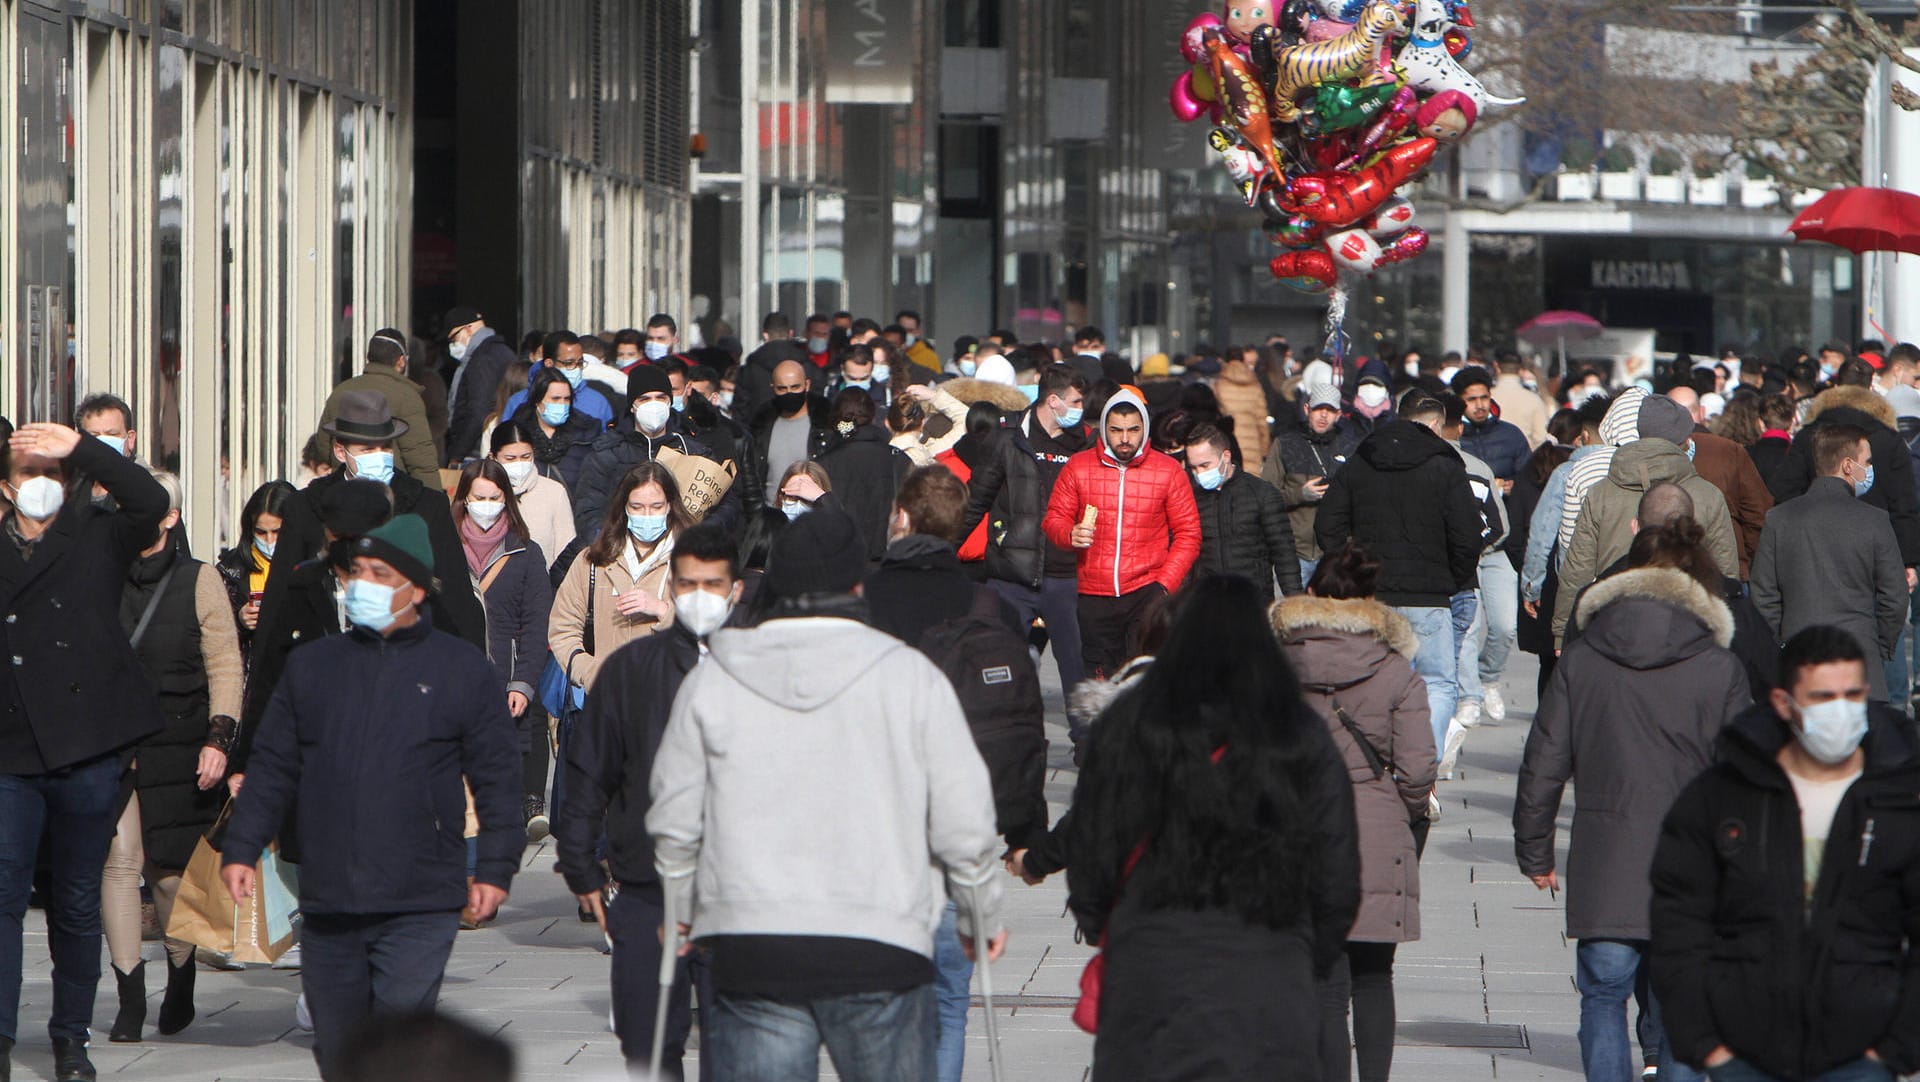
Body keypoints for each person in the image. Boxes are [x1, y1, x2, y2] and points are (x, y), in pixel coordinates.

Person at [646, 506, 1006, 1080]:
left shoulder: (715, 678)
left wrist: (681, 901)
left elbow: (675, 814)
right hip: (880, 942)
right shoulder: (910, 677)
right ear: (858, 585)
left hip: (754, 941)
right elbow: (964, 820)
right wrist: (979, 911)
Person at [221, 515, 522, 1081]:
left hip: (421, 896)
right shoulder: (315, 666)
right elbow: (275, 763)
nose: (362, 584)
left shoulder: (458, 669)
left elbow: (498, 775)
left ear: (415, 586)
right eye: (356, 572)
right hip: (332, 894)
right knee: (340, 1053)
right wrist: (242, 844)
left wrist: (496, 867)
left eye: (380, 574)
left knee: (397, 1051)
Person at [1065, 575, 1361, 1081]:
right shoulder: (1298, 732)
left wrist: (1114, 929)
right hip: (1271, 976)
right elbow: (1337, 880)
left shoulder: (1130, 724)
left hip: (1150, 977)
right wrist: (1302, 954)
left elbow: (1090, 857)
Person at [1515, 519, 1751, 1082]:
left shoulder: (1584, 658)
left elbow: (1544, 762)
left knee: (1601, 996)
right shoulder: (1719, 667)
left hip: (1605, 858)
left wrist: (1535, 851)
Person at [1651, 626, 1920, 1082]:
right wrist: (1704, 1043)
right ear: (1783, 704)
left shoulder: (1900, 797)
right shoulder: (1724, 795)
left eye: (1852, 695)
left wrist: (1897, 1046)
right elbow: (1680, 919)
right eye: (1823, 697)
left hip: (1860, 1051)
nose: (1841, 711)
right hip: (1744, 1051)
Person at [863, 467, 1045, 1082]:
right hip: (955, 820)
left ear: (903, 519)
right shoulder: (987, 604)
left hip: (877, 819)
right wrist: (1024, 830)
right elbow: (1016, 722)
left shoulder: (862, 598)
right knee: (947, 996)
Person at [0, 423, 168, 1082]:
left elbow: (149, 502)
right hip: (9, 751)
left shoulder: (96, 533)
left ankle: (71, 1036)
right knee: (4, 898)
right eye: (26, 474)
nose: (40, 486)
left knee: (75, 900)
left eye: (52, 474)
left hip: (85, 747)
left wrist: (87, 449)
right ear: (5, 489)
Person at [557, 524, 736, 1080]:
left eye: (713, 584)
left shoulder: (758, 667)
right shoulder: (633, 669)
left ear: (734, 590)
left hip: (737, 890)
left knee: (737, 1044)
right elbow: (591, 769)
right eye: (688, 584)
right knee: (647, 1040)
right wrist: (580, 862)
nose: (700, 596)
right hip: (646, 883)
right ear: (672, 588)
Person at [1271, 543, 1435, 1082]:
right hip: (1375, 824)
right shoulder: (1395, 672)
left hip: (1301, 829)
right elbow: (1416, 770)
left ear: (1311, 594)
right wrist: (1406, 818)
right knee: (1373, 976)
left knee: (1325, 983)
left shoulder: (1278, 666)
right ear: (1370, 602)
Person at [102, 469, 244, 1043]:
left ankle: (180, 973)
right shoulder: (101, 575)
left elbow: (226, 665)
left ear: (170, 517)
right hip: (113, 743)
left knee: (169, 875)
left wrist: (219, 739)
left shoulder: (199, 579)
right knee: (119, 861)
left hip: (181, 742)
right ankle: (129, 997)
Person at [1314, 394, 1483, 761]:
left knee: (1376, 681)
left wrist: (1351, 571)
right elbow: (1468, 535)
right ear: (1436, 425)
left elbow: (1327, 524)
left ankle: (1383, 761)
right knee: (1437, 682)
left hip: (1373, 594)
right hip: (1429, 594)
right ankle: (1425, 773)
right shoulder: (1445, 464)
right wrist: (1451, 578)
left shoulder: (1362, 459)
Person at [1553, 394, 1739, 646]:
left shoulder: (1602, 492)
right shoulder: (1708, 495)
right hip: (1688, 629)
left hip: (1613, 623)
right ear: (1685, 439)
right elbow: (1724, 571)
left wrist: (1563, 632)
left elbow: (1577, 570)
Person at [1042, 388, 1202, 682]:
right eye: (1116, 430)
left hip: (1147, 590)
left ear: (1144, 429)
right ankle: (1102, 726)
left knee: (1143, 675)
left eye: (1133, 430)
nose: (1125, 439)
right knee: (1100, 677)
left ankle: (1140, 725)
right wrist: (1070, 534)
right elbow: (1054, 518)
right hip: (1093, 593)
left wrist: (1164, 584)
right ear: (1104, 429)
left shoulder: (1168, 471)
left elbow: (1188, 533)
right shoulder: (1078, 466)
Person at [959, 364, 1095, 702]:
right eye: (1076, 402)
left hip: (1067, 576)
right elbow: (975, 502)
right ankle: (1002, 740)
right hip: (1012, 575)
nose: (1081, 410)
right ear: (1053, 401)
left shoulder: (1086, 445)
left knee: (1078, 672)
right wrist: (942, 550)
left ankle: (1088, 748)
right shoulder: (1007, 438)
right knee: (998, 667)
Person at [1751, 424, 1908, 704]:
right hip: (1860, 659)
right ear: (1848, 465)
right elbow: (1894, 596)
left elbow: (1764, 594)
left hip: (1799, 657)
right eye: (1867, 461)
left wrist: (1782, 641)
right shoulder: (1874, 520)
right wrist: (1880, 647)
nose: (1870, 468)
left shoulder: (1780, 518)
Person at [452, 461, 554, 834]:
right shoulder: (445, 550)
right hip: (455, 684)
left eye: (495, 497)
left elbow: (536, 623)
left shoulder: (526, 553)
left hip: (505, 684)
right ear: (464, 498)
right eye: (479, 497)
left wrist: (523, 683)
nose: (487, 504)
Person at [549, 462, 690, 693]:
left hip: (669, 700)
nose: (647, 515)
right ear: (623, 507)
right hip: (606, 700)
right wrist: (589, 671)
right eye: (637, 506)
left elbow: (711, 629)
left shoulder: (694, 560)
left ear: (670, 506)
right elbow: (562, 627)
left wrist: (664, 611)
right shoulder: (593, 560)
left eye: (656, 507)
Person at [574, 365, 741, 538]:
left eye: (660, 397)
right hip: (620, 550)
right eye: (645, 399)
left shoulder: (693, 450)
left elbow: (726, 504)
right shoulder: (607, 452)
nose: (654, 405)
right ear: (632, 405)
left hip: (682, 550)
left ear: (669, 401)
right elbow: (588, 510)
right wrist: (613, 542)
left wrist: (700, 534)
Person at [1184, 422, 1301, 604]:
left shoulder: (1261, 493)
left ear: (1226, 456)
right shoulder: (1191, 497)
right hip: (1206, 603)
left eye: (1205, 465)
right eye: (1193, 467)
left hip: (1252, 600)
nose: (1199, 473)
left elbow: (1283, 551)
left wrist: (1295, 599)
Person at [1667, 386, 1774, 579]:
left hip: (1670, 570)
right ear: (1701, 412)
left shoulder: (1652, 454)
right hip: (1727, 571)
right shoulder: (1728, 450)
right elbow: (1757, 514)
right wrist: (1745, 559)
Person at [1267, 381, 1363, 586]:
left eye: (1330, 410)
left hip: (1335, 556)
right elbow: (1266, 496)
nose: (1323, 415)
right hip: (1293, 553)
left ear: (1339, 415)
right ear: (1306, 409)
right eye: (1319, 408)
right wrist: (1299, 494)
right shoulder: (1285, 444)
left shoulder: (1351, 448)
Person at [319, 330, 441, 485]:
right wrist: (435, 503)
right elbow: (421, 460)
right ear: (401, 361)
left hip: (345, 490)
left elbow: (323, 445)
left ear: (369, 357)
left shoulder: (340, 391)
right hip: (393, 495)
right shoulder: (407, 396)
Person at [815, 388, 912, 564]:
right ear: (873, 415)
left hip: (839, 561)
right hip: (887, 560)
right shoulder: (898, 459)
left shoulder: (822, 464)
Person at [215, 479, 298, 662]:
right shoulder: (228, 571)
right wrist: (239, 620)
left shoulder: (313, 567)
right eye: (261, 532)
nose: (269, 541)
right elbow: (211, 633)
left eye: (277, 531)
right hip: (251, 676)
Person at [489, 421, 577, 578]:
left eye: (525, 457)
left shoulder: (554, 492)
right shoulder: (482, 493)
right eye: (510, 458)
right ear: (493, 457)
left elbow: (566, 552)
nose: (519, 464)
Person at [504, 367, 601, 494]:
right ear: (538, 401)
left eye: (566, 399)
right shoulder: (517, 433)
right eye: (555, 399)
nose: (562, 404)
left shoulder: (586, 433)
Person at [443, 304, 520, 465]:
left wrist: (457, 454)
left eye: (453, 338)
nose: (452, 345)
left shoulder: (483, 359)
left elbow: (478, 411)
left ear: (468, 330)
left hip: (477, 450)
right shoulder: (500, 351)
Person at [750, 359, 830, 509]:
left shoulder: (825, 426)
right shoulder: (761, 427)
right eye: (782, 389)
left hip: (813, 515)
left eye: (795, 387)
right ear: (773, 388)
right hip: (772, 516)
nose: (789, 394)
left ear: (807, 385)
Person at [498, 330, 616, 427]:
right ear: (549, 363)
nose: (576, 368)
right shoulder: (519, 401)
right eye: (568, 363)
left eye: (580, 363)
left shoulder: (598, 402)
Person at [1452, 366, 1532, 482]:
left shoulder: (1511, 434)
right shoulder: (1450, 437)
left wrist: (1514, 486)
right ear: (1459, 401)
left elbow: (1529, 478)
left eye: (1484, 398)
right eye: (1471, 399)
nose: (1480, 405)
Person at [734, 312, 813, 420]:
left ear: (765, 335)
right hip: (801, 428)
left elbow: (741, 408)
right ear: (790, 334)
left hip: (760, 430)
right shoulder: (804, 363)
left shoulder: (751, 367)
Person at [1215, 345, 1275, 467]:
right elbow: (1262, 420)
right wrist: (1264, 448)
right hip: (1252, 443)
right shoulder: (1254, 384)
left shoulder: (1219, 384)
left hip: (1228, 442)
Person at [885, 384, 970, 467]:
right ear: (922, 422)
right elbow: (968, 419)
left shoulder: (879, 454)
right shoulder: (930, 452)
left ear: (888, 423)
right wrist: (933, 396)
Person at [1490, 351, 1550, 449]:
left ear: (1498, 367)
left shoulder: (1487, 397)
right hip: (1525, 457)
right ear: (1520, 369)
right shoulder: (1534, 400)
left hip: (1491, 455)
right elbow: (1541, 438)